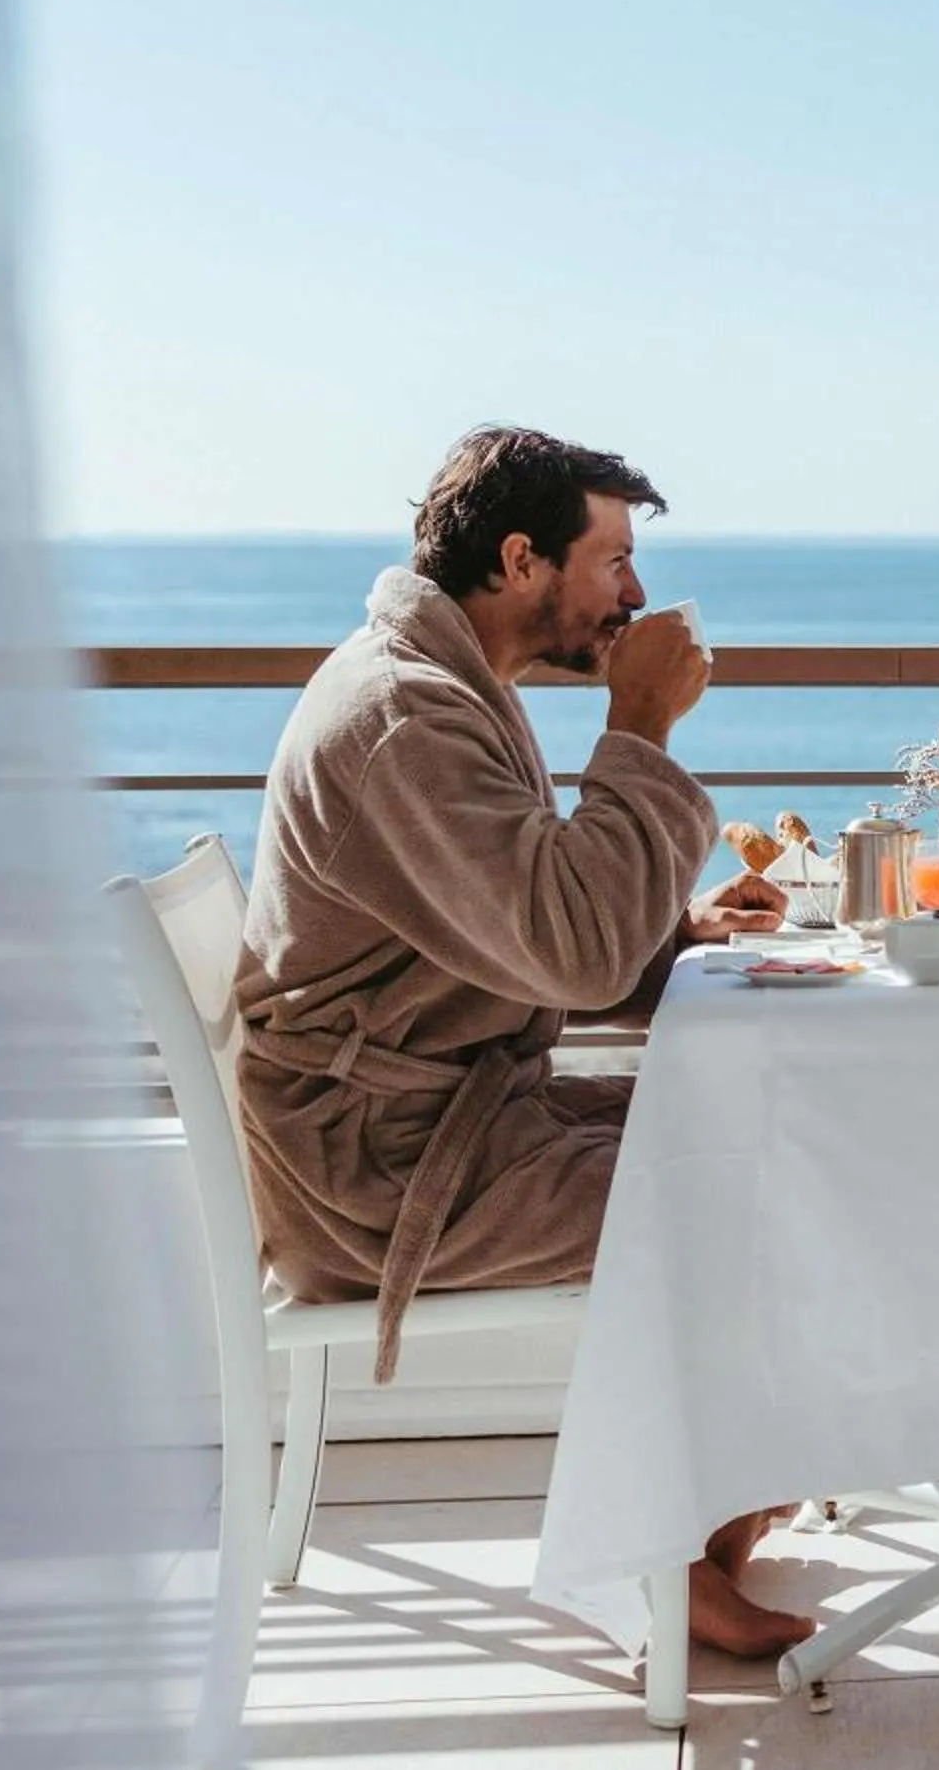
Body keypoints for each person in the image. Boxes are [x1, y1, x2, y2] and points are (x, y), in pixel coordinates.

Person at [232, 426, 809, 1658]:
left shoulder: (440, 684)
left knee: (771, 1145)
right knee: (723, 1200)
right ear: (518, 561)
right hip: (381, 1175)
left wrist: (675, 935)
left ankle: (717, 1510)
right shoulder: (403, 717)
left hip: (446, 1119)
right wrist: (641, 723)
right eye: (613, 562)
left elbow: (513, 922)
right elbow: (573, 948)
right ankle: (661, 1556)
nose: (638, 596)